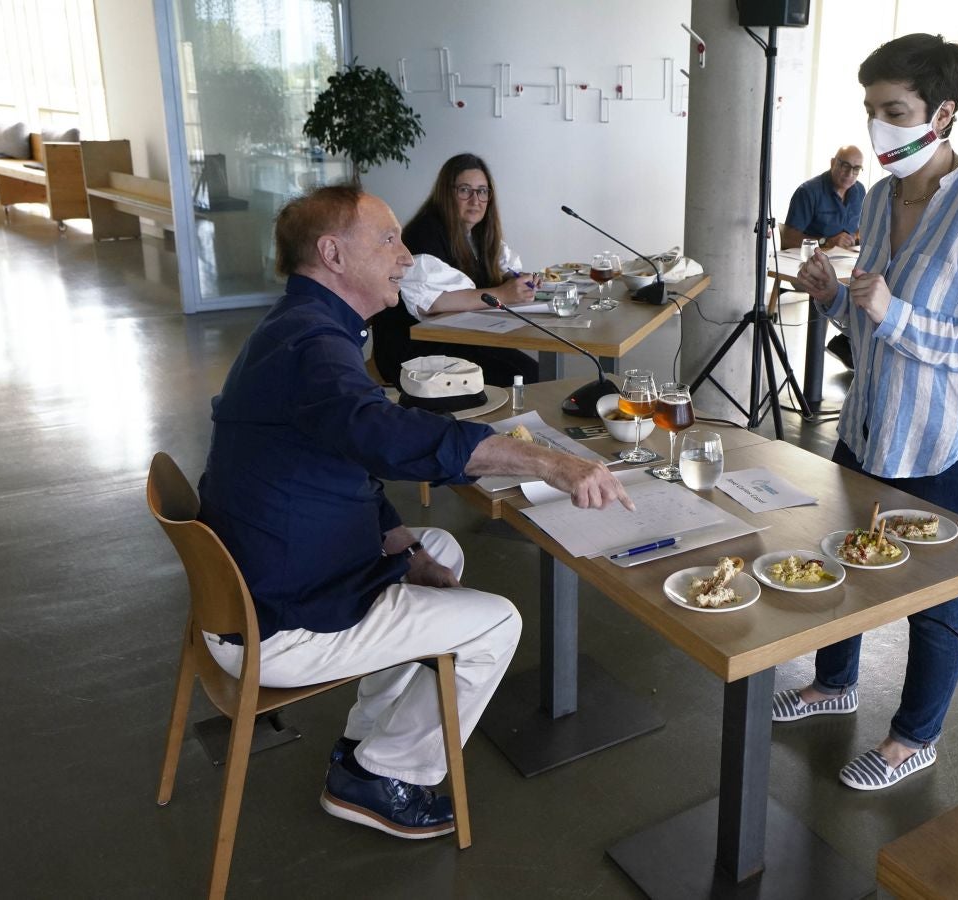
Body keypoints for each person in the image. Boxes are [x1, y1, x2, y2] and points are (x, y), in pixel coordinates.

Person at [197, 184, 632, 839]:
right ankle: (384, 778)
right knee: (493, 625)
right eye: (388, 239)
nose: (406, 255)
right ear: (331, 254)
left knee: (436, 549)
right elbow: (384, 436)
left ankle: (366, 744)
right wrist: (549, 463)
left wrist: (401, 545)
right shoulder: (314, 347)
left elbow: (343, 456)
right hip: (277, 619)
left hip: (267, 573)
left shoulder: (301, 328)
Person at [778, 34, 958, 791]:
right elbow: (867, 329)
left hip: (946, 444)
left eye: (895, 111)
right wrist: (831, 297)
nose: (877, 128)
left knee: (932, 601)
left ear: (942, 112)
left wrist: (899, 315)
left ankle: (912, 737)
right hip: (870, 423)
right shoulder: (882, 195)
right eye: (870, 110)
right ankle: (835, 682)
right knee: (844, 560)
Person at [371, 153, 541, 387]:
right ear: (446, 193)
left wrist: (519, 283)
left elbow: (501, 273)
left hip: (459, 341)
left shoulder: (478, 236)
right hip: (415, 354)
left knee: (529, 372)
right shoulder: (425, 234)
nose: (475, 200)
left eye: (482, 191)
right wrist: (503, 294)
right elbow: (433, 302)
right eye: (465, 190)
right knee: (524, 376)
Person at [782, 146, 868, 369]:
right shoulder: (808, 192)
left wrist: (854, 238)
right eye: (844, 165)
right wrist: (826, 241)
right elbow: (788, 240)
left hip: (845, 263)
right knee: (838, 286)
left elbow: (860, 229)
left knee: (873, 285)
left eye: (856, 169)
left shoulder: (860, 191)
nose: (850, 173)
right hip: (807, 265)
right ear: (833, 163)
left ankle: (847, 342)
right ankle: (845, 343)